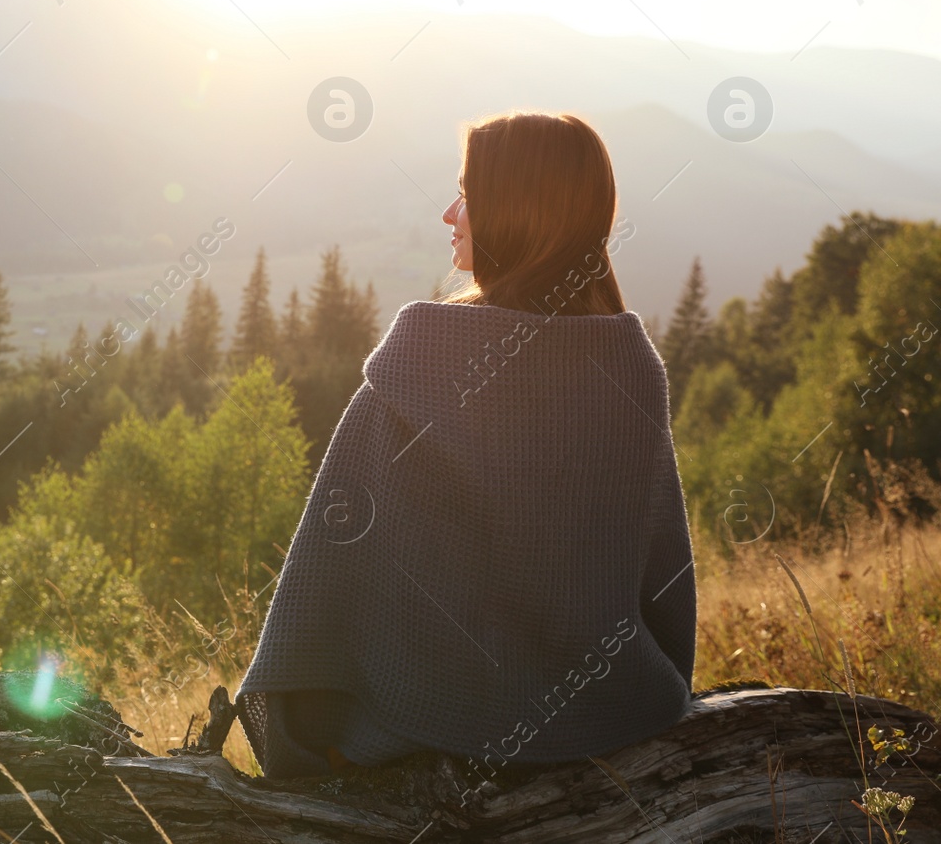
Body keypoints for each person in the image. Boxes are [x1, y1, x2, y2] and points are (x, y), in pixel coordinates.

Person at [236, 111, 695, 783]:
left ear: (517, 212)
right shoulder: (632, 374)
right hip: (612, 713)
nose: (451, 214)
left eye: (469, 197)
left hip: (416, 731)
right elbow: (666, 587)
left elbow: (323, 592)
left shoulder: (408, 376)